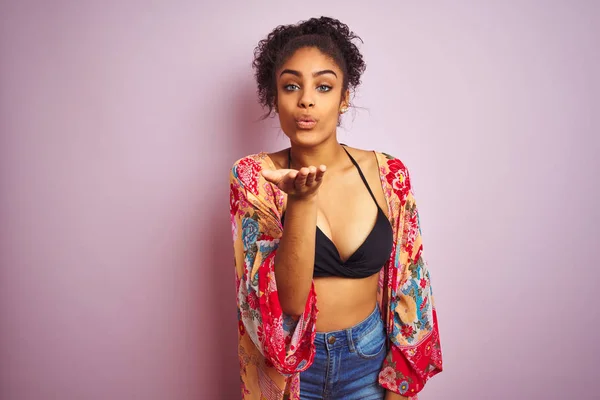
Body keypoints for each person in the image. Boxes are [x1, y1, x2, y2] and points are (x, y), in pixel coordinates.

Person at [229, 16, 442, 400]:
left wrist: (399, 389)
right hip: (292, 373)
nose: (306, 99)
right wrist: (301, 200)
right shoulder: (254, 177)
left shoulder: (388, 174)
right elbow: (288, 302)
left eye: (323, 86)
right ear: (275, 97)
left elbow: (412, 286)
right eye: (290, 86)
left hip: (370, 363)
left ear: (344, 97)